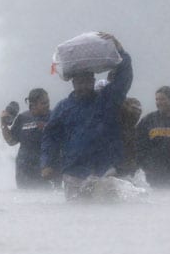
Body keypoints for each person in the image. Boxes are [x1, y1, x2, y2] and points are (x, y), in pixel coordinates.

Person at [40, 33, 132, 201]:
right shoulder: (63, 108)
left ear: (93, 80)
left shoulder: (107, 101)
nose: (83, 86)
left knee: (108, 214)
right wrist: (47, 163)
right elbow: (50, 137)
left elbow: (123, 79)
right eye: (79, 82)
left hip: (105, 170)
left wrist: (121, 49)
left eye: (87, 82)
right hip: (73, 173)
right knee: (76, 215)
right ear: (73, 83)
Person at [1, 88, 54, 189]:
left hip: (47, 168)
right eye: (43, 103)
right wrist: (3, 123)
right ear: (32, 104)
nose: (47, 105)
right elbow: (11, 141)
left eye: (48, 102)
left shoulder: (54, 116)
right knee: (26, 199)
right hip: (24, 168)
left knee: (48, 199)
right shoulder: (22, 118)